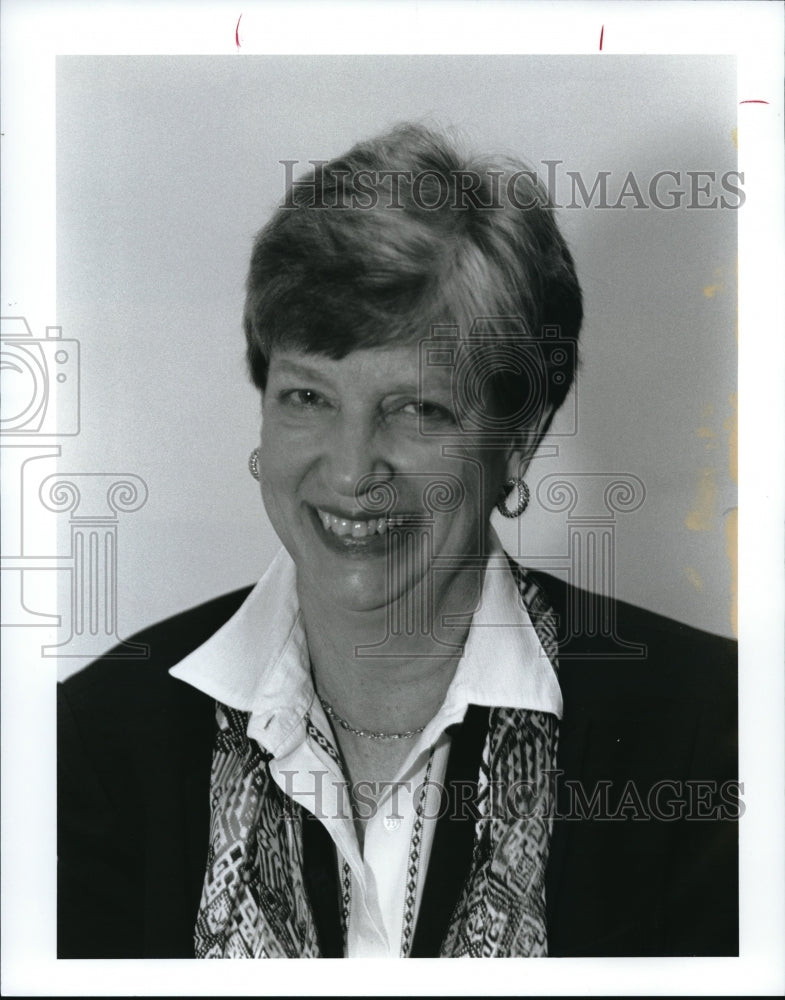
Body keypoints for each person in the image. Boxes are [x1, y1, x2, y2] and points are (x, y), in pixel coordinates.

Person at [57, 123, 738, 959]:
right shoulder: (97, 741)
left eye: (418, 409)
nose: (349, 472)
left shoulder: (715, 733)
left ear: (515, 441)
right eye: (307, 396)